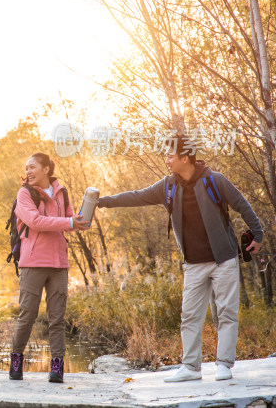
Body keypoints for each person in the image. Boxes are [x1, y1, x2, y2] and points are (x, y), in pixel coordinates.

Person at [97, 135, 264, 382]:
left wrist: (258, 235)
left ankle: (224, 365)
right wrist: (102, 202)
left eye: (169, 156)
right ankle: (190, 367)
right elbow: (136, 196)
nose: (166, 160)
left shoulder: (215, 180)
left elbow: (242, 205)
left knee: (226, 314)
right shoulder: (167, 186)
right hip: (194, 264)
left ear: (185, 157)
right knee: (190, 315)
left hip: (223, 259)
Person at [9, 152, 89, 383]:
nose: (28, 172)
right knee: (27, 315)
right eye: (26, 168)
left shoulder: (61, 192)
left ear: (46, 168)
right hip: (32, 263)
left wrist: (82, 220)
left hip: (59, 264)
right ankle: (16, 360)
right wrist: (69, 222)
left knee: (57, 318)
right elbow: (36, 222)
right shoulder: (24, 194)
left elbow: (70, 220)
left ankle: (57, 368)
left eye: (32, 167)